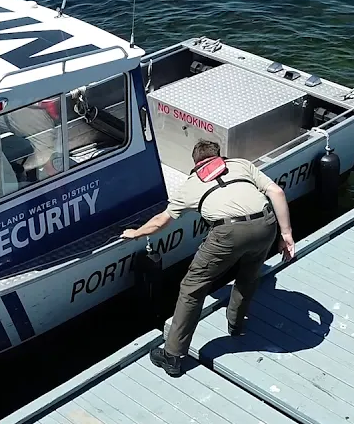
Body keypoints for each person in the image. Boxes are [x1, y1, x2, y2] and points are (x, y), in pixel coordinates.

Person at [122, 139, 296, 377]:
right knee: (249, 275)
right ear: (219, 156)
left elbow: (161, 221)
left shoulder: (190, 186)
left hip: (228, 232)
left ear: (195, 163)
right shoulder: (241, 165)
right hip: (266, 223)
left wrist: (136, 233)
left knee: (192, 288)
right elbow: (276, 191)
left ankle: (172, 355)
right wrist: (286, 234)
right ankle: (236, 325)